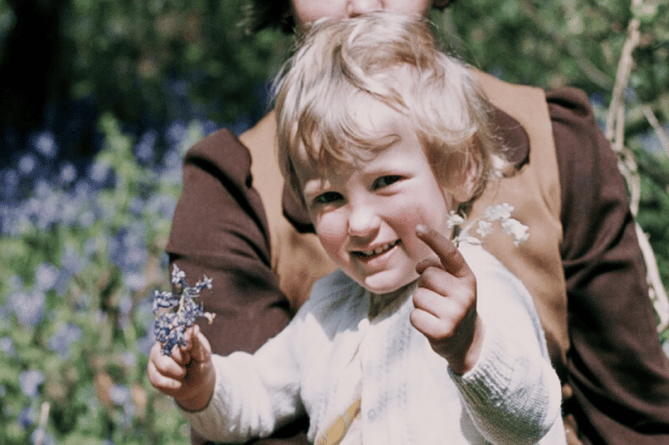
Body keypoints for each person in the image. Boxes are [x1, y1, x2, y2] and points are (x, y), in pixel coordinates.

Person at [163, 1, 669, 445]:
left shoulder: (481, 290)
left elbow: (532, 418)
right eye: (330, 197)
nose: (360, 221)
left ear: (460, 170)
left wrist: (471, 349)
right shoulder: (328, 305)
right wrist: (205, 387)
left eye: (386, 182)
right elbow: (259, 396)